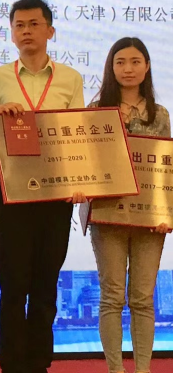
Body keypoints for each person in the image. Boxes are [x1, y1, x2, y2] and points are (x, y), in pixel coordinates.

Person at [0, 0, 85, 373]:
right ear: (12, 34)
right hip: (13, 193)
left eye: (34, 24)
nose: (26, 31)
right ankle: (12, 364)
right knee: (13, 287)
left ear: (50, 31)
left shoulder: (70, 78)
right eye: (19, 25)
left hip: (56, 193)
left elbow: (78, 134)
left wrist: (80, 181)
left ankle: (39, 363)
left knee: (45, 286)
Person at [88, 37, 170, 373]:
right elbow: (87, 161)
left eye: (136, 61)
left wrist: (167, 212)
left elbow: (164, 168)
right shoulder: (96, 110)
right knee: (111, 297)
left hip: (150, 219)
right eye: (120, 62)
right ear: (111, 67)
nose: (128, 69)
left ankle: (143, 369)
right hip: (107, 215)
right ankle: (115, 370)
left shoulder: (159, 114)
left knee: (142, 299)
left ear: (147, 66)